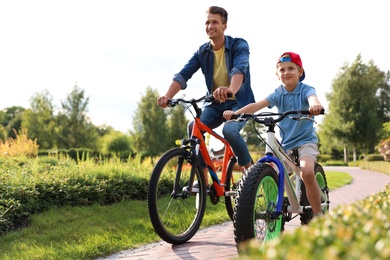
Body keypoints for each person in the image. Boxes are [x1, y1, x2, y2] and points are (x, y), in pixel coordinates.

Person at [157, 6, 255, 188]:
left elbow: (239, 69)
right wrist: (167, 96)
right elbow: (183, 74)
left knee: (230, 131)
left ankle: (249, 174)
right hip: (216, 103)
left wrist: (231, 89)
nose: (210, 26)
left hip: (239, 103)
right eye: (207, 22)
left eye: (215, 22)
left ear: (224, 25)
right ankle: (203, 181)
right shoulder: (202, 52)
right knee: (193, 126)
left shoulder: (239, 45)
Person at [223, 52, 324, 216]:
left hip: (306, 141)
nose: (286, 72)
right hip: (286, 144)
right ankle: (275, 211)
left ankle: (318, 214)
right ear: (277, 75)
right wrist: (236, 114)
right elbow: (256, 106)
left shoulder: (306, 89)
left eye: (291, 68)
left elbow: (313, 98)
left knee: (306, 173)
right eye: (282, 70)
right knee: (274, 175)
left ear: (300, 72)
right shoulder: (278, 93)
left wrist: (315, 106)